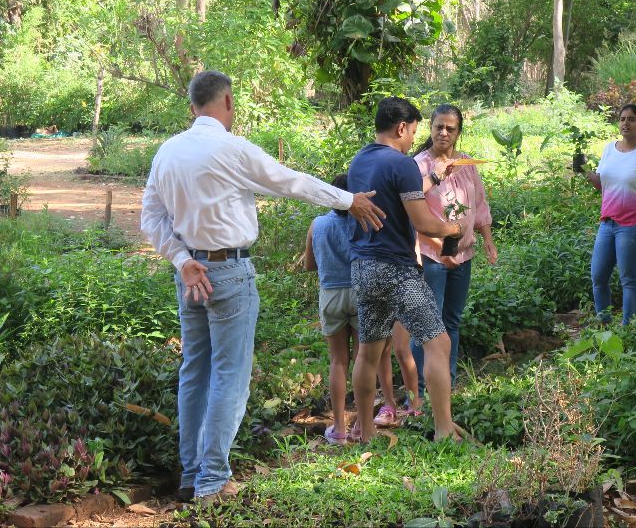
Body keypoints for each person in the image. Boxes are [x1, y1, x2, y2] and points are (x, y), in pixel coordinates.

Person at [141, 70, 384, 502]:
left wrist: (181, 260)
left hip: (191, 275)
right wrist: (349, 199)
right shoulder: (230, 149)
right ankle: (212, 480)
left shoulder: (167, 153)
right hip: (229, 273)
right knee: (229, 376)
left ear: (192, 106)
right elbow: (289, 181)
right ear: (228, 102)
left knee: (194, 372)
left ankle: (192, 473)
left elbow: (152, 219)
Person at [347, 96, 464, 443]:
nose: (414, 139)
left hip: (363, 268)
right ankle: (444, 430)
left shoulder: (359, 162)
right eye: (413, 131)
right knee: (439, 342)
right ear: (401, 128)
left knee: (368, 351)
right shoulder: (402, 164)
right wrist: (451, 229)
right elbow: (423, 222)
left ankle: (366, 433)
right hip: (396, 269)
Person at [302, 177, 402, 439]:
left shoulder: (318, 224)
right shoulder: (364, 222)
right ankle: (361, 424)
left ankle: (339, 428)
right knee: (364, 359)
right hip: (361, 292)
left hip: (331, 294)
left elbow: (309, 265)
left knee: (337, 361)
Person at [411, 104, 496, 394]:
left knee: (452, 320)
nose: (444, 132)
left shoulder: (467, 164)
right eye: (439, 127)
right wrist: (439, 248)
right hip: (433, 257)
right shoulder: (420, 165)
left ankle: (448, 382)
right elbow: (413, 211)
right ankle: (422, 388)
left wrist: (488, 240)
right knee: (428, 322)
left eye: (451, 128)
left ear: (459, 132)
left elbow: (480, 204)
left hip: (464, 254)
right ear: (430, 128)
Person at [580, 104, 636, 325]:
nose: (626, 123)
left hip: (634, 224)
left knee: (627, 278)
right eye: (623, 119)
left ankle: (629, 328)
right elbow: (603, 184)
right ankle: (604, 323)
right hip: (608, 222)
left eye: (632, 119)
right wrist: (583, 171)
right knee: (598, 276)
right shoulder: (609, 149)